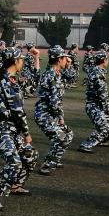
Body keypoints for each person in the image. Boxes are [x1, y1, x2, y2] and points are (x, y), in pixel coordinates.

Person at [0, 47, 37, 210]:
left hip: (12, 131)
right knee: (15, 163)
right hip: (3, 131)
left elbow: (33, 84)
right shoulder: (6, 82)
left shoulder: (10, 79)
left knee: (30, 156)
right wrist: (27, 133)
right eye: (21, 59)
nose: (22, 62)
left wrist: (36, 59)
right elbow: (18, 112)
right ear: (15, 61)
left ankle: (16, 185)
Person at [35, 46, 73, 175]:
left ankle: (53, 159)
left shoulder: (55, 72)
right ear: (58, 59)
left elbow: (71, 77)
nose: (66, 60)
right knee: (61, 138)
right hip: (45, 115)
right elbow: (54, 102)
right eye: (64, 58)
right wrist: (60, 117)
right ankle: (47, 165)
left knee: (68, 135)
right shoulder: (52, 75)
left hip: (50, 114)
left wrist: (69, 64)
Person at [78, 50, 109, 153]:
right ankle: (85, 145)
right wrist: (108, 110)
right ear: (103, 60)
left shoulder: (96, 70)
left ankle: (100, 140)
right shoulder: (98, 73)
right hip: (94, 106)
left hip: (96, 105)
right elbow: (102, 95)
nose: (108, 61)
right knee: (104, 127)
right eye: (107, 59)